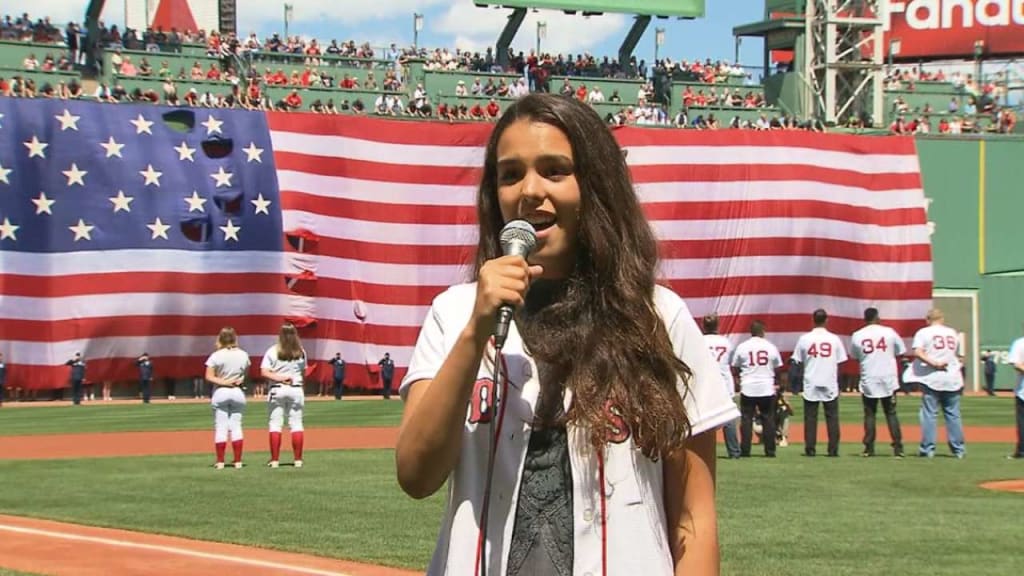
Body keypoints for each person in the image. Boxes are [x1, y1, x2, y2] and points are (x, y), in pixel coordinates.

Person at [394, 93, 739, 576]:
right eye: (510, 174)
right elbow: (416, 474)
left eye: (554, 170)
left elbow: (693, 519)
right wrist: (477, 328)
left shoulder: (659, 317)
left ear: (595, 185)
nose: (529, 191)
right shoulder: (455, 313)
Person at [906, 308, 965, 458]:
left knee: (929, 414)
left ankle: (928, 449)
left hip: (932, 377)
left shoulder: (923, 332)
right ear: (942, 319)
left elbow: (918, 352)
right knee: (953, 414)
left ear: (928, 319)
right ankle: (959, 449)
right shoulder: (952, 332)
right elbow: (959, 355)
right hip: (951, 376)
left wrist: (934, 362)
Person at [850, 307, 907, 457]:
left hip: (869, 376)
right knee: (891, 413)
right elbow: (900, 351)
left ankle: (869, 447)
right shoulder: (889, 332)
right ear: (877, 317)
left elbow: (855, 355)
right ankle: (898, 447)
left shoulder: (858, 335)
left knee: (870, 414)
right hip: (887, 376)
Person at [792, 309, 848, 457]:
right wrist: (841, 383)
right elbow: (841, 362)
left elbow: (797, 361)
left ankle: (810, 449)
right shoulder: (834, 339)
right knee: (832, 418)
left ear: (813, 320)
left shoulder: (805, 339)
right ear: (826, 320)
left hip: (811, 380)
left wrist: (795, 385)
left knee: (810, 418)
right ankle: (833, 449)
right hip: (829, 381)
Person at [732, 320, 784, 457]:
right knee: (768, 420)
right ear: (762, 331)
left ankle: (745, 449)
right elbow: (777, 367)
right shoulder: (770, 347)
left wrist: (739, 380)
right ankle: (770, 450)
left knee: (747, 419)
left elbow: (735, 366)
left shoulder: (742, 347)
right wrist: (778, 383)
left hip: (748, 386)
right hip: (766, 387)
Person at [261, 322, 308, 468]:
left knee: (275, 424)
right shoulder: (301, 352)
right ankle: (298, 459)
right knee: (296, 424)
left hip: (278, 388)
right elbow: (303, 371)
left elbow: (264, 371)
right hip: (296, 388)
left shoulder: (273, 351)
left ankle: (275, 460)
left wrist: (280, 377)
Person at [204, 327, 249, 469]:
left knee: (221, 427)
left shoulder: (216, 356)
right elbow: (245, 373)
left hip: (221, 391)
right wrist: (237, 380)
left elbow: (209, 376)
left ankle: (220, 461)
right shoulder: (243, 354)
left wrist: (224, 381)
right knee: (236, 426)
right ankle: (237, 461)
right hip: (237, 391)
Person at [703, 313, 740, 458]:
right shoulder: (726, 342)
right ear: (717, 325)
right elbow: (731, 362)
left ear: (704, 326)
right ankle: (734, 451)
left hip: (706, 383)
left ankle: (704, 451)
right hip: (724, 382)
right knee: (728, 420)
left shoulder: (700, 340)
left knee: (704, 419)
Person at [1005, 326, 1024, 459]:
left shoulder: (1019, 343)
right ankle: (1021, 450)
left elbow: (1016, 364)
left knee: (1022, 422)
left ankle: (1022, 451)